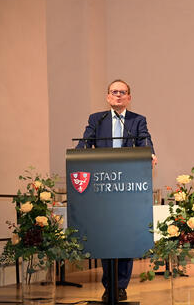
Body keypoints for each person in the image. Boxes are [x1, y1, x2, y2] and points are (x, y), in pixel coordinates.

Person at [77, 79, 158, 301]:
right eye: (114, 92)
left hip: (126, 188)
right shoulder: (97, 119)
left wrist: (149, 153)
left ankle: (120, 285)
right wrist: (79, 155)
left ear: (129, 98)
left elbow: (145, 141)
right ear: (108, 96)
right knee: (106, 237)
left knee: (124, 236)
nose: (118, 95)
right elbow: (83, 144)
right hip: (102, 188)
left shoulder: (137, 120)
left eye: (123, 92)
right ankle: (109, 285)